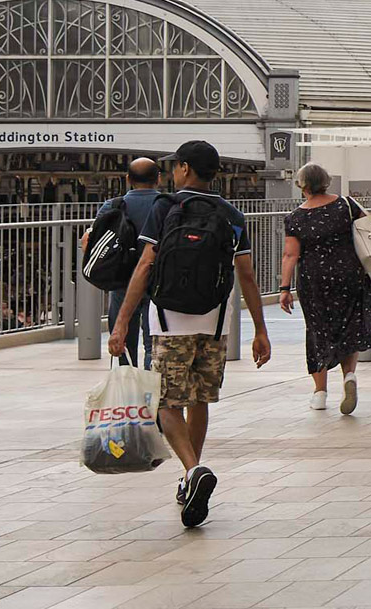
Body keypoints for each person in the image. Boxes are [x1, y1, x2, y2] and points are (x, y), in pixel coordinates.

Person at [109, 139, 271, 528]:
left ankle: (193, 469)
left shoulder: (165, 209)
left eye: (174, 166)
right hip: (214, 322)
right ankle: (189, 478)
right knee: (199, 399)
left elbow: (146, 265)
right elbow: (246, 275)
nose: (170, 172)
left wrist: (121, 322)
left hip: (168, 321)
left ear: (184, 169)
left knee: (164, 402)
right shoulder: (231, 213)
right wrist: (260, 331)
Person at [276, 162, 371, 414]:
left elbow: (290, 255)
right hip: (349, 274)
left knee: (317, 332)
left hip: (314, 281)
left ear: (302, 187)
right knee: (349, 326)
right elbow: (370, 230)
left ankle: (320, 393)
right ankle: (349, 376)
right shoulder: (346, 205)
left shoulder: (295, 218)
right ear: (326, 181)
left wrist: (284, 288)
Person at [93, 156, 166, 365]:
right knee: (154, 343)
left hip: (122, 281)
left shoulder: (113, 206)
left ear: (128, 179)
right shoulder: (167, 205)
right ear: (158, 179)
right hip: (158, 281)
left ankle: (129, 389)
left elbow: (92, 240)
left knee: (123, 343)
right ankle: (152, 387)